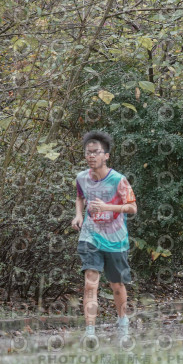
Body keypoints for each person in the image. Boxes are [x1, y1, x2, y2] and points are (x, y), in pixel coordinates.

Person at [72, 131, 137, 340]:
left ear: (106, 155)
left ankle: (123, 323)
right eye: (88, 152)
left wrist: (107, 207)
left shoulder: (119, 180)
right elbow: (80, 197)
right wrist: (78, 215)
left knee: (117, 285)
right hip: (90, 236)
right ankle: (90, 332)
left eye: (96, 152)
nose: (91, 156)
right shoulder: (81, 178)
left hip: (116, 239)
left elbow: (132, 208)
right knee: (90, 283)